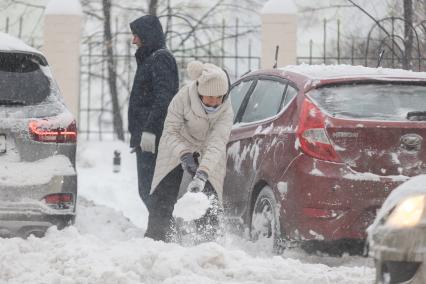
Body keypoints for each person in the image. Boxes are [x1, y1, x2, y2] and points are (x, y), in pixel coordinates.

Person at [145, 60, 234, 242]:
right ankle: (157, 238)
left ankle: (207, 241)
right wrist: (185, 155)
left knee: (210, 195)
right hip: (177, 142)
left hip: (207, 147)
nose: (216, 102)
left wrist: (202, 173)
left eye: (220, 97)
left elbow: (217, 143)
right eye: (210, 97)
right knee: (163, 194)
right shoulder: (183, 98)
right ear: (200, 92)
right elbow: (170, 131)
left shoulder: (226, 109)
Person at [128, 15, 179, 212]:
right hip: (146, 136)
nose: (133, 40)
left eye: (136, 35)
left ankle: (161, 234)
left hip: (154, 137)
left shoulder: (160, 59)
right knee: (148, 190)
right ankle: (161, 233)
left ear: (146, 35)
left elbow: (163, 99)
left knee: (153, 190)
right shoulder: (150, 59)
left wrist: (150, 130)